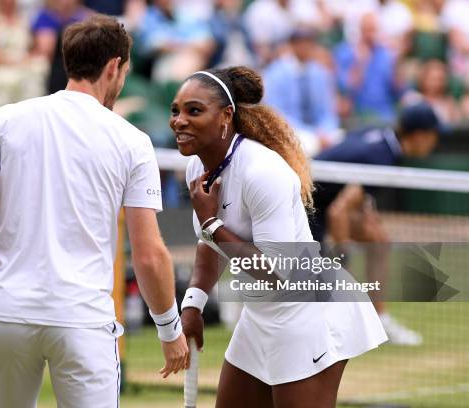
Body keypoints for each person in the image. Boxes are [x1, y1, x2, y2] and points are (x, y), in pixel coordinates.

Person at [0, 15, 188, 408]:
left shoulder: (6, 119)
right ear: (113, 68)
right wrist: (170, 330)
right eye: (124, 71)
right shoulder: (133, 141)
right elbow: (148, 252)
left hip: (7, 317)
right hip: (82, 322)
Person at [172, 66, 387, 408]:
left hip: (310, 314)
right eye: (176, 111)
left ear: (226, 116)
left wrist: (212, 222)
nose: (179, 121)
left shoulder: (263, 172)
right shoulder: (197, 169)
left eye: (193, 110)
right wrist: (193, 304)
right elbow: (208, 245)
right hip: (260, 316)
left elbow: (277, 271)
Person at [311, 102, 441, 346]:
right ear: (420, 135)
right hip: (306, 205)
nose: (435, 143)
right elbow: (339, 212)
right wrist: (342, 254)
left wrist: (365, 211)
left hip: (322, 199)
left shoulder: (380, 137)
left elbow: (349, 185)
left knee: (379, 241)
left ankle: (379, 319)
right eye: (434, 135)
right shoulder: (383, 157)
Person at [263, 28, 340, 153]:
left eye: (310, 44)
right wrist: (312, 133)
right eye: (303, 43)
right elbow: (276, 112)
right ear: (293, 46)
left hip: (320, 133)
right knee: (307, 145)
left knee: (341, 142)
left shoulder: (320, 73)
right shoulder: (276, 73)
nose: (307, 48)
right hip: (290, 131)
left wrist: (324, 130)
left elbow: (328, 111)